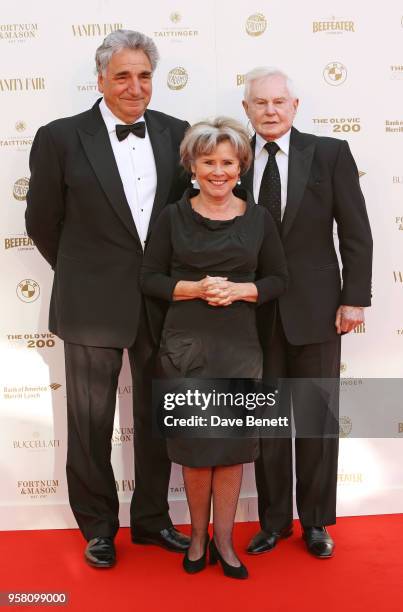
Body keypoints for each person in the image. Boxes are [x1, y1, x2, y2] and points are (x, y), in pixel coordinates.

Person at [25, 29, 191, 568]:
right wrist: (84, 272)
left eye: (144, 75)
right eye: (122, 75)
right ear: (100, 79)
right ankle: (98, 527)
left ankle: (151, 520)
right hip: (90, 302)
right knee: (90, 422)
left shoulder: (178, 134)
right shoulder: (59, 138)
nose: (134, 86)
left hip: (161, 302)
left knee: (157, 416)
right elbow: (42, 222)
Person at [141, 117, 288, 578]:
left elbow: (278, 280)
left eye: (227, 162)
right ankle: (197, 539)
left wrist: (241, 292)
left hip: (239, 345)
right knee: (194, 448)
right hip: (185, 344)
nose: (218, 171)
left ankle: (225, 540)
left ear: (240, 167)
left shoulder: (259, 218)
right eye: (209, 162)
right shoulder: (172, 217)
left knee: (232, 448)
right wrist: (196, 288)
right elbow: (150, 279)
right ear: (193, 166)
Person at [241, 67, 373, 558]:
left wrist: (354, 296)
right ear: (247, 110)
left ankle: (316, 522)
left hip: (318, 312)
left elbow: (355, 231)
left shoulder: (330, 153)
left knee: (316, 421)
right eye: (260, 103)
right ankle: (273, 522)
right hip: (253, 313)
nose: (270, 111)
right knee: (266, 424)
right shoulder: (233, 157)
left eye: (279, 102)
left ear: (294, 106)